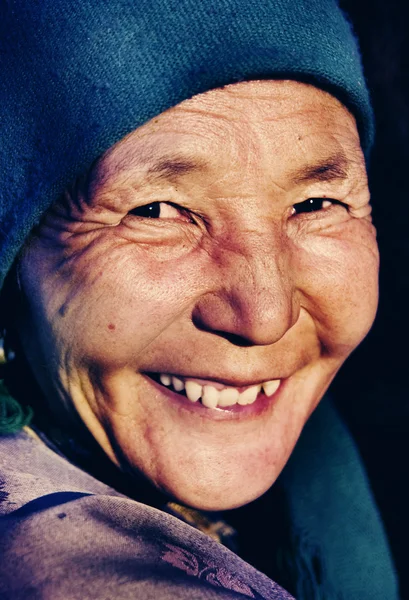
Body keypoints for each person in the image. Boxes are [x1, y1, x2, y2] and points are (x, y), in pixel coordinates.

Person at [0, 0, 399, 598]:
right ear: (14, 251)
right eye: (156, 211)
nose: (266, 316)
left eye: (316, 204)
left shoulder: (325, 497)